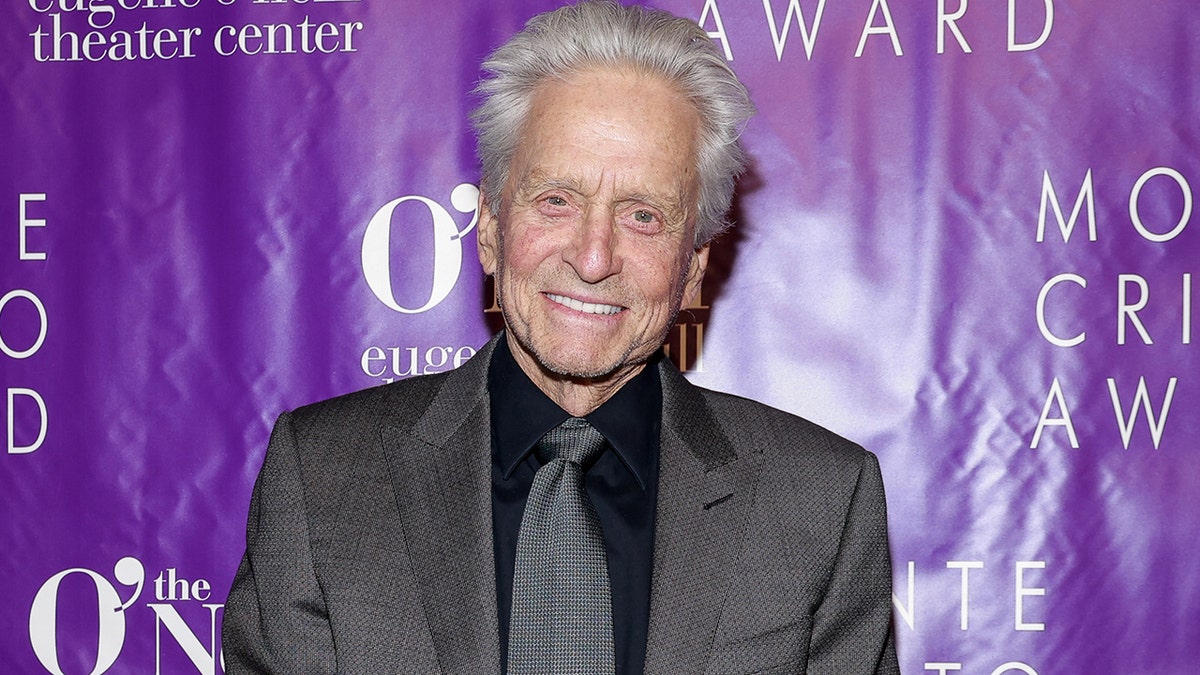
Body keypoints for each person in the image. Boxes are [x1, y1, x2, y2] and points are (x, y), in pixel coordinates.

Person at [222, 2, 899, 673]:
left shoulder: (820, 500)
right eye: (556, 200)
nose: (594, 256)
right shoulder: (322, 478)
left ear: (693, 267)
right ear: (489, 226)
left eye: (643, 215)